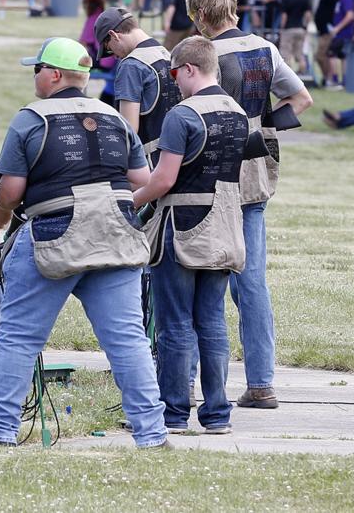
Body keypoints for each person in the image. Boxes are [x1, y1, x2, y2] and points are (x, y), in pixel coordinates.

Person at [0, 37, 166, 449]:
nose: (33, 75)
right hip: (117, 235)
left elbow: (11, 191)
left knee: (18, 336)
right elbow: (142, 181)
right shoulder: (114, 118)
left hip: (54, 236)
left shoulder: (30, 119)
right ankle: (152, 434)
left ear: (53, 74)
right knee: (128, 339)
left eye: (36, 68)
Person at [186, 0, 313, 409]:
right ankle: (261, 383)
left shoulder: (201, 55)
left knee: (196, 275)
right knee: (251, 281)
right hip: (256, 172)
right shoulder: (266, 49)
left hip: (209, 174)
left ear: (201, 16)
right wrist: (264, 128)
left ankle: (185, 382)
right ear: (234, 10)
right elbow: (302, 99)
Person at [132, 36, 249, 436]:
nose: (174, 83)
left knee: (176, 324)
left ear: (189, 69)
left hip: (181, 228)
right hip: (225, 227)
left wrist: (130, 201)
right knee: (213, 323)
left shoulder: (181, 116)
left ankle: (174, 414)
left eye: (174, 74)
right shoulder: (237, 111)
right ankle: (218, 414)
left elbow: (163, 180)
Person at [97, 7, 182, 163]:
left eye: (110, 50)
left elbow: (129, 130)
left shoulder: (131, 65)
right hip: (175, 156)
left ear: (113, 35)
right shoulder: (166, 53)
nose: (115, 57)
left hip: (148, 161)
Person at [322, 0, 354, 90]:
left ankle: (335, 81)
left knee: (332, 55)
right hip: (343, 33)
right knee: (342, 56)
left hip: (342, 33)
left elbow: (350, 15)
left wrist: (337, 28)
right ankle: (344, 81)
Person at [277, 0, 312, 73]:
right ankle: (303, 73)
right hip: (300, 28)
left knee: (286, 54)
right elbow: (308, 15)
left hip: (289, 28)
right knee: (299, 54)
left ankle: (288, 76)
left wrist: (281, 28)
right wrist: (305, 27)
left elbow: (284, 16)